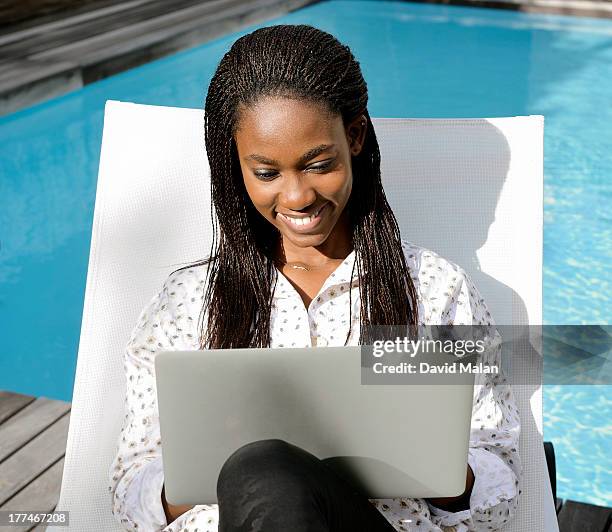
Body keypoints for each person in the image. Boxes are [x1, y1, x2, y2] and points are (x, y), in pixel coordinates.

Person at [108, 24, 522, 532]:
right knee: (261, 472)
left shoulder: (436, 291)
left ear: (355, 137)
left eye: (319, 164)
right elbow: (130, 494)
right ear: (234, 165)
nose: (298, 196)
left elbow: (500, 484)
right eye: (267, 173)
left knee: (264, 471)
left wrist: (436, 467)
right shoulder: (188, 301)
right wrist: (202, 468)